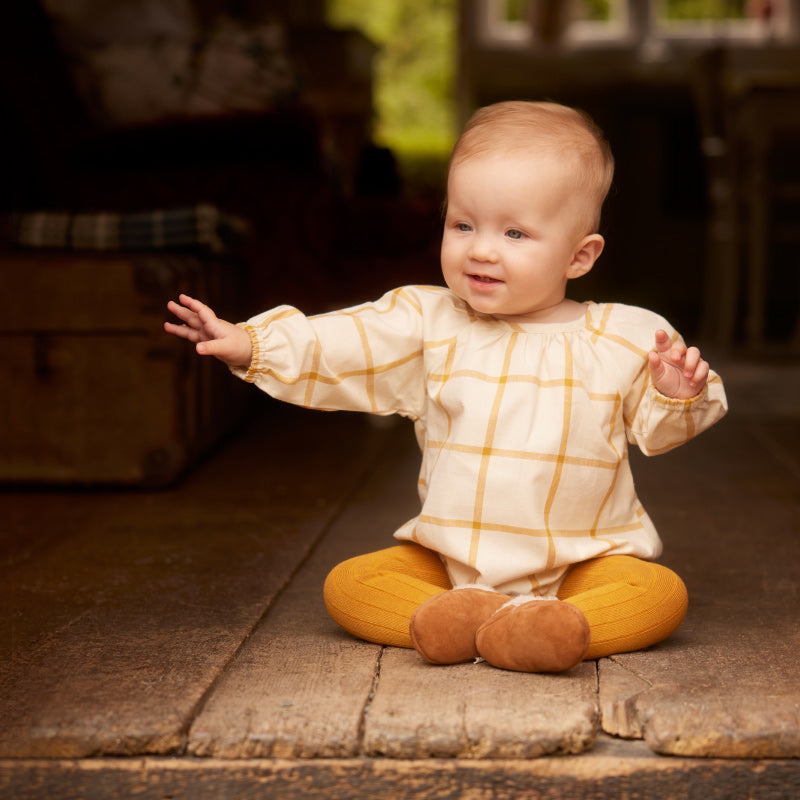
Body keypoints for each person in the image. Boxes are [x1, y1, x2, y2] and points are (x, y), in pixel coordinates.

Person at [165, 101, 727, 673]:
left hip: (585, 564)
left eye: (514, 232)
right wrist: (252, 345)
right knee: (351, 584)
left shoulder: (626, 336)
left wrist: (678, 393)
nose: (480, 248)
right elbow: (340, 344)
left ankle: (553, 628)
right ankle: (488, 623)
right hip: (451, 566)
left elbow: (659, 431)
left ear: (580, 255)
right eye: (463, 225)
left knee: (658, 595)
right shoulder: (428, 323)